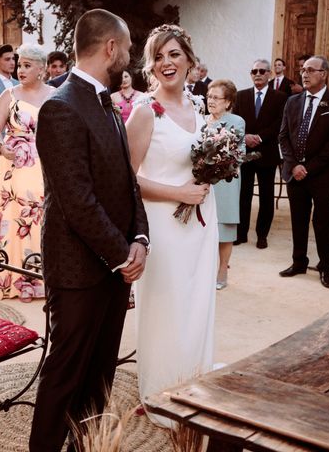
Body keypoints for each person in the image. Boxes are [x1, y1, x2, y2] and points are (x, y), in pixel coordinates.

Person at [30, 9, 149, 451]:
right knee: (65, 375)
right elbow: (76, 201)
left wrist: (139, 239)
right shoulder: (60, 108)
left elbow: (126, 178)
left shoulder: (109, 103)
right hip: (79, 270)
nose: (131, 56)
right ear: (111, 48)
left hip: (116, 267)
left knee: (101, 373)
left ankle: (89, 446)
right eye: (129, 47)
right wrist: (122, 254)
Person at [126, 23, 215, 428]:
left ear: (189, 61)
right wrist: (179, 194)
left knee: (197, 305)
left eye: (174, 54)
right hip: (163, 226)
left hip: (200, 225)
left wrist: (211, 174)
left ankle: (194, 381)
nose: (167, 63)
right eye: (159, 56)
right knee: (167, 308)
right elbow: (125, 181)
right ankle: (162, 392)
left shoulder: (199, 108)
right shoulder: (146, 113)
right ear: (150, 66)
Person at [0, 44, 54, 301]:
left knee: (43, 216)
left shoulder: (56, 95)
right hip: (14, 167)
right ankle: (13, 280)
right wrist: (1, 146)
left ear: (41, 69)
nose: (20, 69)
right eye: (18, 64)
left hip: (47, 165)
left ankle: (44, 280)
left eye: (26, 65)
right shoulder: (9, 95)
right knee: (16, 219)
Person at [278, 55, 329, 289]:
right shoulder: (293, 101)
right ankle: (299, 262)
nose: (304, 74)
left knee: (323, 221)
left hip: (322, 175)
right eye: (303, 70)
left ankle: (325, 267)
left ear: (324, 74)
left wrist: (307, 168)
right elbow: (284, 136)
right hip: (295, 172)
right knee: (298, 219)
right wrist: (294, 165)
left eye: (310, 70)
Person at [233, 59, 287, 248]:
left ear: (269, 74)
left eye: (262, 71)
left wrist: (259, 137)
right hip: (245, 153)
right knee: (243, 195)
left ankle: (262, 235)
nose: (258, 74)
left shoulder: (280, 98)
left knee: (266, 196)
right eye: (254, 70)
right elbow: (235, 121)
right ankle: (241, 234)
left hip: (267, 153)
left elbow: (280, 122)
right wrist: (245, 137)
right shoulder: (241, 96)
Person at [206, 79, 245, 289]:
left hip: (226, 182)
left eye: (216, 98)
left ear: (228, 102)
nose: (211, 101)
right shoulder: (201, 119)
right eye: (209, 97)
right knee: (205, 229)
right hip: (204, 182)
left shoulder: (236, 121)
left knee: (225, 229)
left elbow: (238, 154)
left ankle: (222, 270)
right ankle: (205, 270)